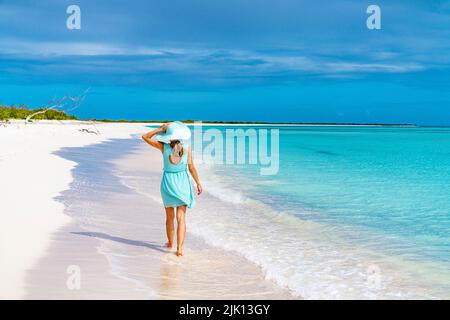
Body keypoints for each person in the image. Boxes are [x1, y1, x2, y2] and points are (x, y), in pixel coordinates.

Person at [142, 121, 202, 256]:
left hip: (168, 183)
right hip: (182, 183)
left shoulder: (163, 147)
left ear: (168, 135)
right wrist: (198, 183)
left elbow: (145, 137)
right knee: (181, 217)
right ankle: (179, 249)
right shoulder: (187, 148)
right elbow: (191, 168)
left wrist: (159, 130)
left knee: (169, 217)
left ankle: (170, 243)